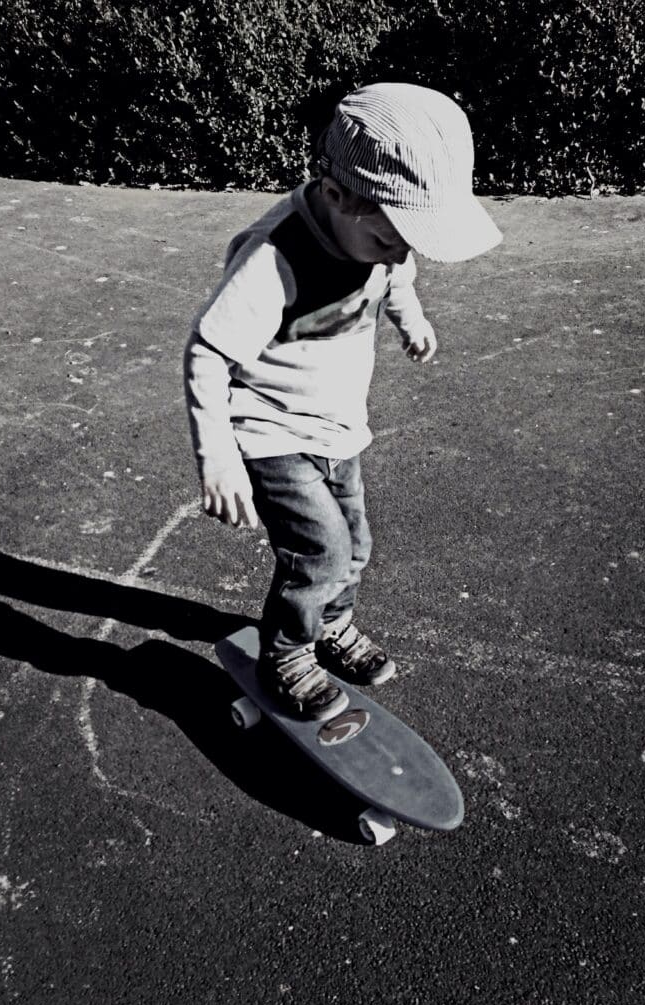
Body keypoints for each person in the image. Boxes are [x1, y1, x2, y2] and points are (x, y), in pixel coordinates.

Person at [184, 83, 502, 721]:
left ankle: (330, 624)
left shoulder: (380, 238)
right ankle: (288, 652)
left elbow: (396, 276)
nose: (402, 250)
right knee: (321, 549)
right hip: (269, 426)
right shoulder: (274, 257)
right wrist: (217, 456)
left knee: (355, 544)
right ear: (336, 197)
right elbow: (208, 351)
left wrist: (409, 317)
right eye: (392, 236)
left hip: (337, 426)